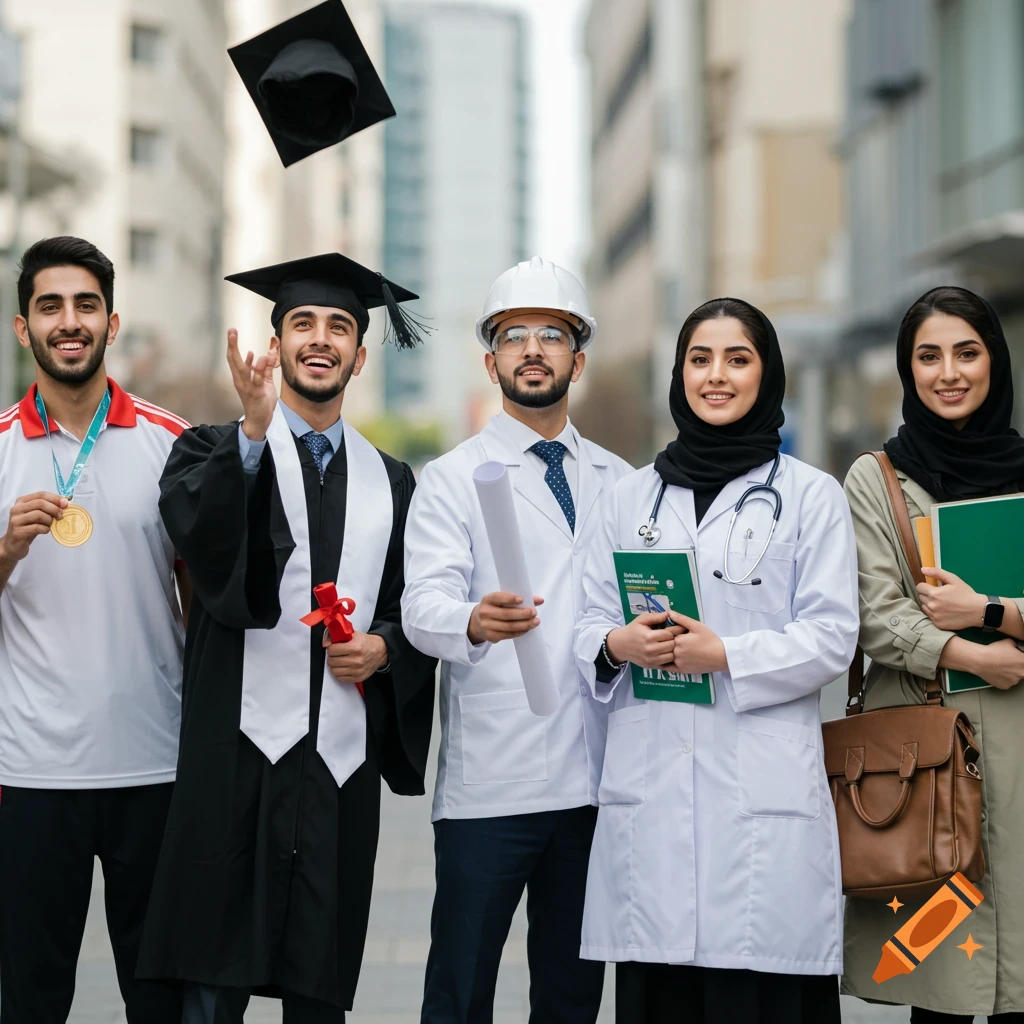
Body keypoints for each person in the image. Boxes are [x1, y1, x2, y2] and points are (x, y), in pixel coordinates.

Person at [135, 253, 437, 1023]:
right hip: (232, 758)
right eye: (302, 322)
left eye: (339, 326)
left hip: (335, 772)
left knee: (317, 982)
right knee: (211, 983)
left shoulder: (394, 483)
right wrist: (254, 431)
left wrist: (388, 648)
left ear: (360, 356)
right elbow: (201, 541)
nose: (320, 339)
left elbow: (414, 603)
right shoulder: (211, 451)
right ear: (276, 343)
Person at [574, 297, 860, 1024]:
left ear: (767, 375)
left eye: (738, 359)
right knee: (661, 994)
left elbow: (832, 634)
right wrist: (617, 644)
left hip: (759, 808)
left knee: (761, 997)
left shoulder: (809, 498)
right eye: (701, 359)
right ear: (679, 375)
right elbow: (588, 621)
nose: (717, 376)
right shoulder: (628, 498)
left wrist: (725, 655)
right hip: (655, 803)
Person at [402, 257, 632, 1024]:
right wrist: (473, 620)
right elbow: (421, 606)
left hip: (595, 785)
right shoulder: (452, 478)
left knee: (570, 999)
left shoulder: (619, 480)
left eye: (553, 335)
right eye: (515, 336)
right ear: (491, 358)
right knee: (460, 994)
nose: (534, 349)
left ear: (579, 357)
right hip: (491, 790)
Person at [0, 236, 188, 1024]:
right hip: (31, 771)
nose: (69, 322)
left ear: (113, 322)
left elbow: (213, 596)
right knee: (31, 998)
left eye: (86, 306)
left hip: (155, 764)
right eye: (51, 306)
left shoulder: (173, 443)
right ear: (23, 328)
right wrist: (6, 548)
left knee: (162, 1001)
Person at [841, 286, 1024, 1023]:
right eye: (929, 355)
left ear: (995, 361)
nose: (949, 371)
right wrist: (981, 656)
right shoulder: (876, 479)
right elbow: (875, 618)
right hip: (932, 763)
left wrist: (991, 613)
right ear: (907, 370)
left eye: (967, 352)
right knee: (941, 983)